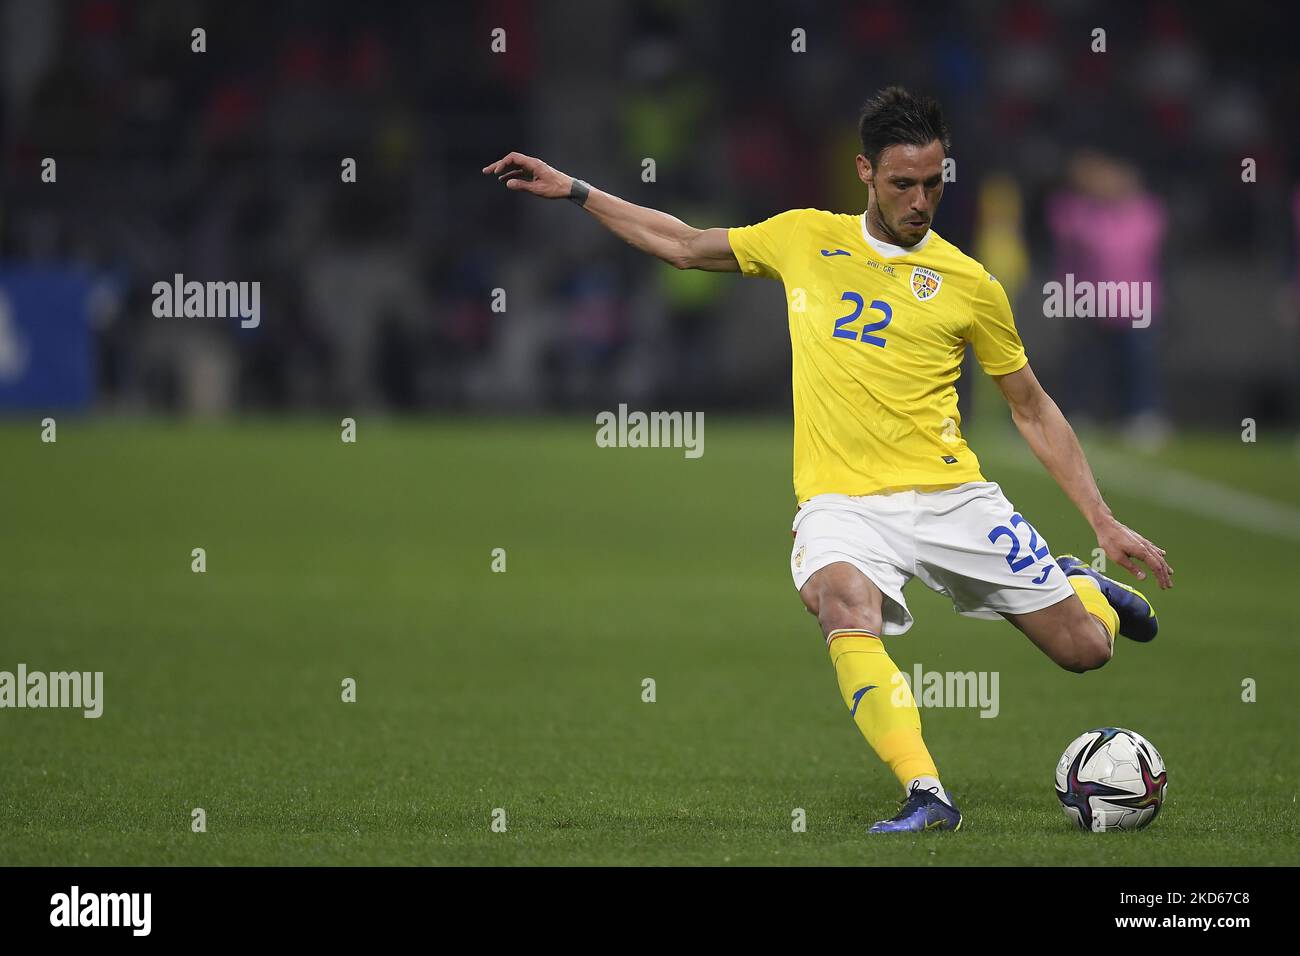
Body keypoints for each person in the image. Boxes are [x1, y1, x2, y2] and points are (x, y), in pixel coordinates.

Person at [483, 86, 1173, 833]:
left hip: (952, 496)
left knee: (1085, 651)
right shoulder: (805, 236)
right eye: (903, 183)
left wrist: (1101, 519)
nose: (920, 200)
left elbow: (1031, 406)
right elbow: (682, 243)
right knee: (842, 605)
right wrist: (578, 190)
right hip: (841, 504)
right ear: (865, 173)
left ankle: (1082, 584)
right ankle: (927, 793)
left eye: (935, 184)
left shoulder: (971, 284)